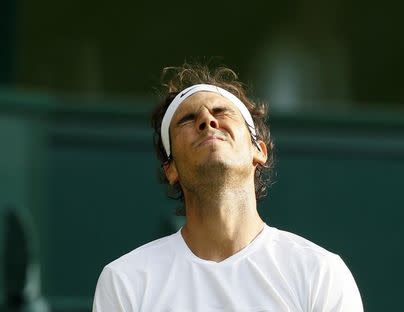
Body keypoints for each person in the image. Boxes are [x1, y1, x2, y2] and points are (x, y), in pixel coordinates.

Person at [92, 63, 364, 311]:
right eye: (187, 119)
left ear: (258, 149)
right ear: (170, 168)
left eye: (221, 112)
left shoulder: (321, 272)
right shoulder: (125, 280)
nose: (207, 121)